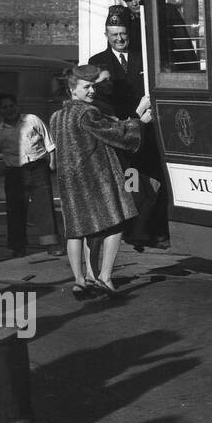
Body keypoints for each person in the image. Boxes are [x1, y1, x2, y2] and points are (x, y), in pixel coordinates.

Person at [49, 64, 153, 299]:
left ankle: (80, 281)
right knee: (115, 223)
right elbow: (116, 133)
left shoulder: (56, 117)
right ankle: (105, 278)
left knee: (77, 231)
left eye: (93, 87)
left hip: (69, 181)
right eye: (86, 87)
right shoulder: (87, 113)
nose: (92, 92)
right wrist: (141, 122)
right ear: (72, 89)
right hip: (95, 179)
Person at [91, 6, 167, 248]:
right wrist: (133, 118)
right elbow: (101, 103)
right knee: (128, 187)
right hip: (120, 136)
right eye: (114, 35)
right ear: (106, 35)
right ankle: (130, 231)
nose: (120, 39)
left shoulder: (144, 57)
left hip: (147, 134)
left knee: (152, 183)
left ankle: (146, 229)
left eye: (123, 33)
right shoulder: (97, 62)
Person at [0, 92, 60, 258]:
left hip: (38, 168)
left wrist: (52, 163)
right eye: (5, 107)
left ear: (17, 106)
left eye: (12, 105)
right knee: (16, 211)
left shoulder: (32, 120)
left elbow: (49, 141)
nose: (9, 109)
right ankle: (18, 247)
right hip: (14, 174)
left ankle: (51, 244)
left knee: (45, 208)